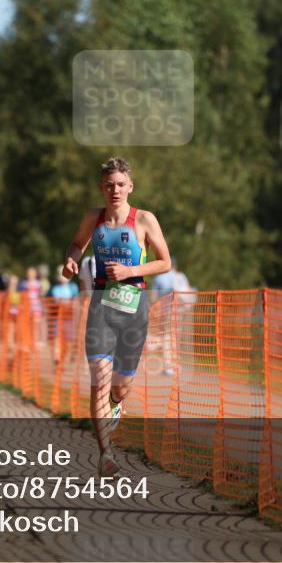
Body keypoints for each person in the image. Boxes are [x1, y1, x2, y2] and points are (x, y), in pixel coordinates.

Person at [62, 157, 171, 477]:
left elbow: (165, 262)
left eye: (121, 185)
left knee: (120, 388)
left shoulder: (144, 220)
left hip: (134, 308)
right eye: (109, 185)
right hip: (100, 307)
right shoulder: (93, 218)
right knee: (98, 383)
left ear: (130, 187)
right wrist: (70, 261)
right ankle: (105, 454)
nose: (115, 190)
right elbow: (76, 245)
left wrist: (131, 270)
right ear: (101, 188)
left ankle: (116, 401)